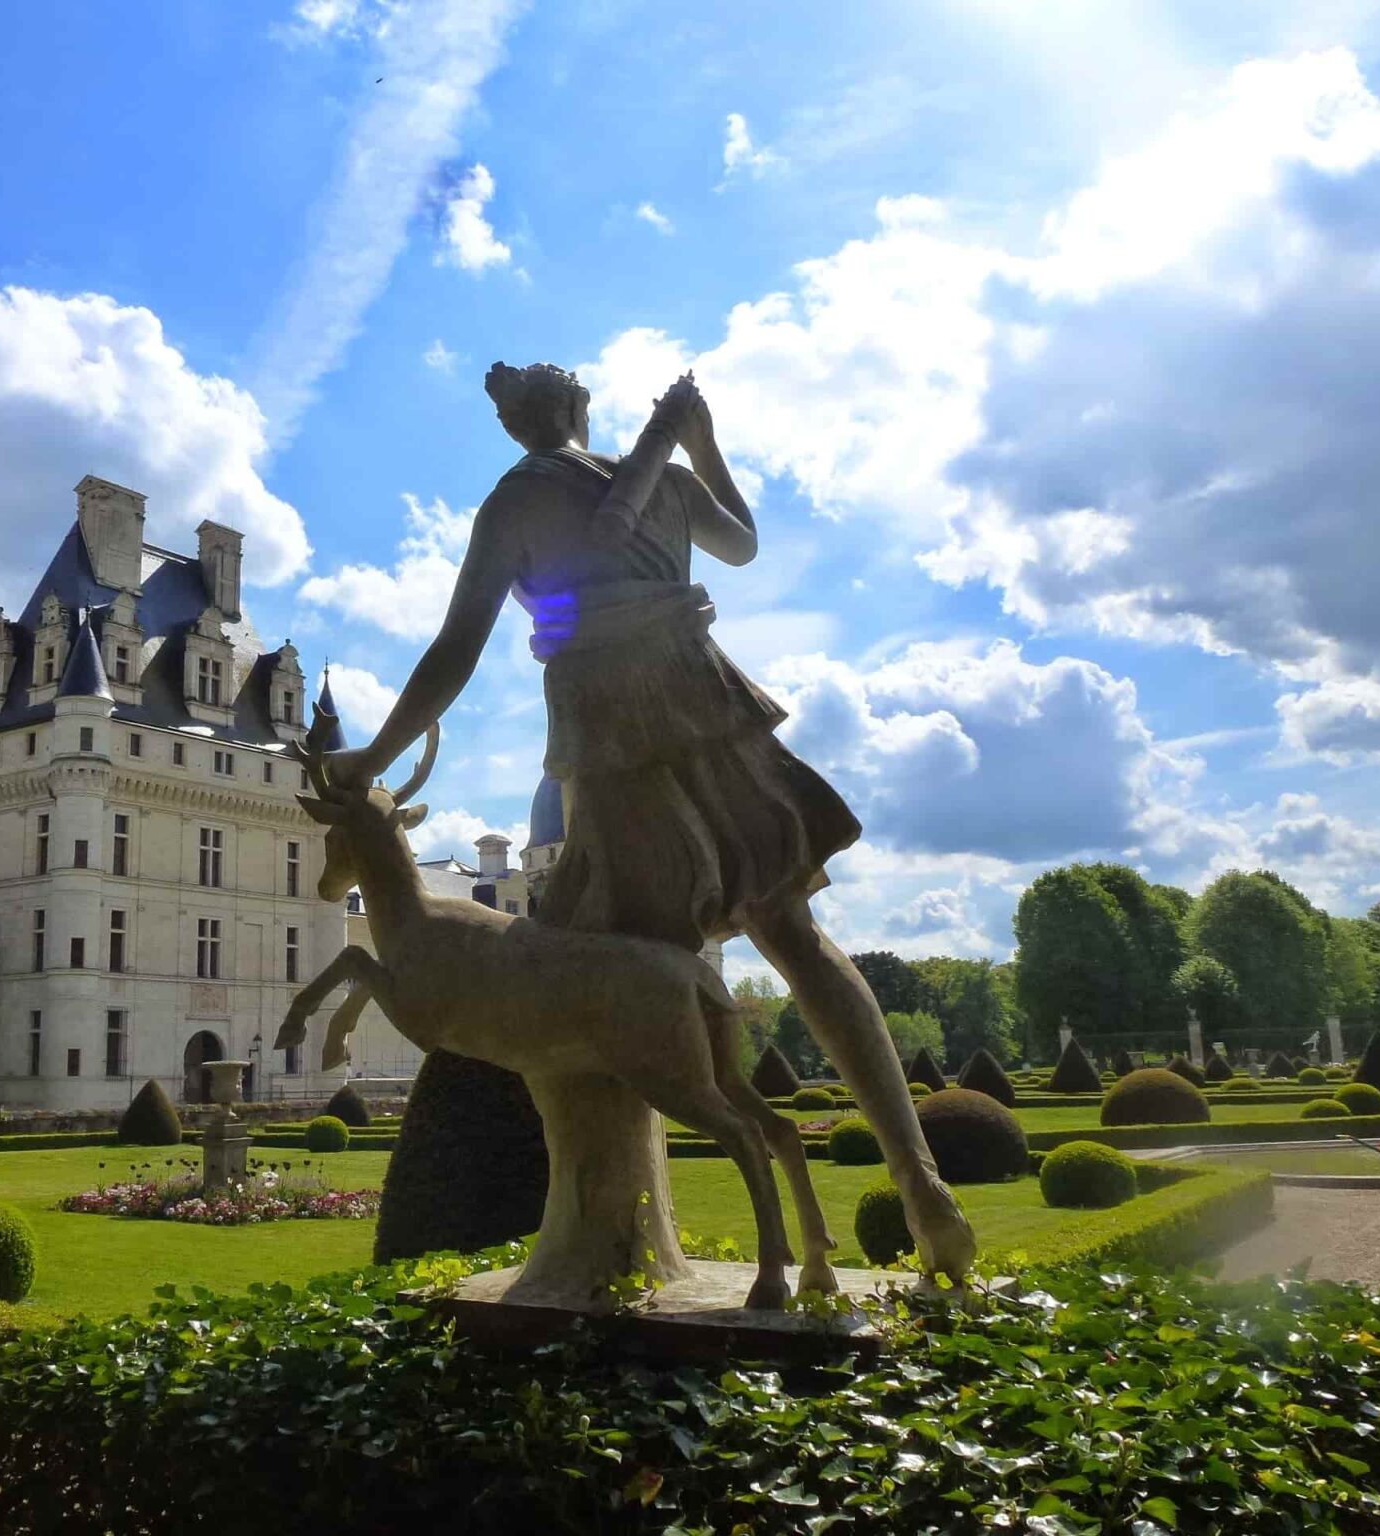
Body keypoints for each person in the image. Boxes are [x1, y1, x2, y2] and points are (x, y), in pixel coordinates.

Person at [321, 361, 974, 1279]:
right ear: (582, 408)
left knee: (592, 960)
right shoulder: (662, 479)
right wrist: (702, 444)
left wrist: (373, 758)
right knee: (794, 932)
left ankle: (596, 1240)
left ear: (515, 429)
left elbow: (455, 651)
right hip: (706, 702)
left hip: (612, 732)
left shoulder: (516, 502)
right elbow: (742, 544)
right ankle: (920, 1175)